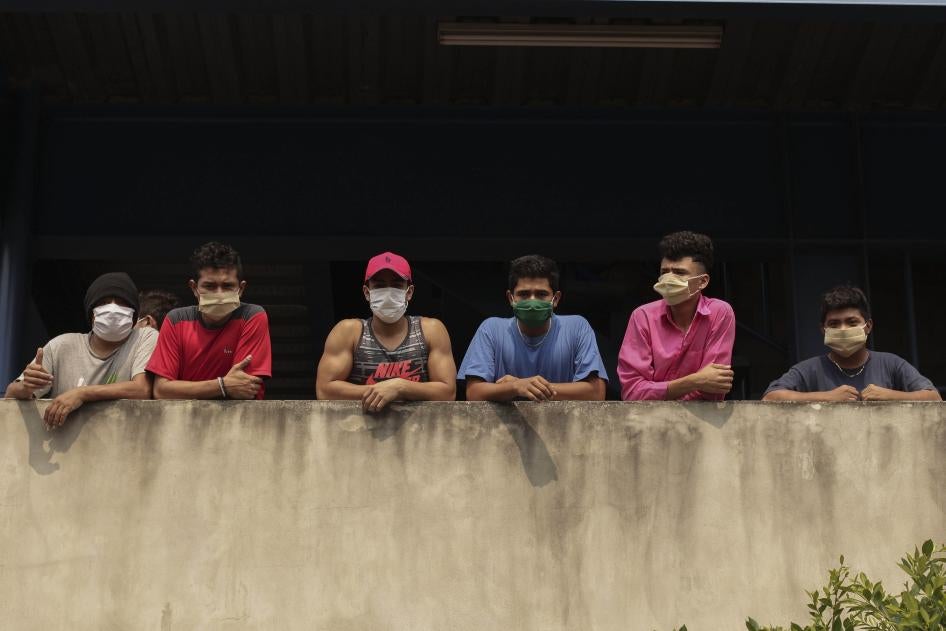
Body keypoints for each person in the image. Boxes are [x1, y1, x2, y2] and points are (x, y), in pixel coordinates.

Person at [4, 272, 157, 428]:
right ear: (91, 314)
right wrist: (26, 387)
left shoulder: (144, 337)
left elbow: (141, 389)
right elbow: (11, 394)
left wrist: (81, 393)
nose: (112, 309)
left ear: (134, 314)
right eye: (103, 303)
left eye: (122, 303)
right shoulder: (61, 346)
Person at [316, 252, 456, 411]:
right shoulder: (349, 332)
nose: (388, 292)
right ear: (367, 292)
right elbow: (324, 390)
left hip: (420, 432)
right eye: (380, 285)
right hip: (357, 431)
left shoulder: (431, 330)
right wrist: (381, 391)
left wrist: (400, 387)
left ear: (409, 292)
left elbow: (448, 392)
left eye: (396, 285)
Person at [458, 255, 607, 401]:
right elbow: (474, 392)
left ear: (556, 299)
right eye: (524, 294)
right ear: (511, 298)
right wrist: (516, 387)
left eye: (541, 294)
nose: (532, 301)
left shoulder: (577, 328)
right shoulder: (491, 329)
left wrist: (526, 387)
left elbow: (596, 392)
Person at [763, 285, 941, 402]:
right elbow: (770, 398)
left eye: (851, 322)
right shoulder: (809, 370)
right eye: (834, 323)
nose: (843, 329)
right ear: (823, 329)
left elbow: (933, 398)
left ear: (868, 326)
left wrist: (890, 396)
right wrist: (827, 398)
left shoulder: (891, 364)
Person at [617, 230, 736, 401]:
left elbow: (714, 389)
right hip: (648, 422)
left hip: (701, 423)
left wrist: (658, 391)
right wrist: (695, 381)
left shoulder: (720, 313)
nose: (668, 279)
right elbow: (632, 393)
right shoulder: (642, 316)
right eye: (664, 272)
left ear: (702, 281)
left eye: (679, 273)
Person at [147, 242, 272, 400]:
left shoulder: (252, 316)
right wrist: (222, 385)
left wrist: (181, 388)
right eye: (210, 286)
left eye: (227, 286)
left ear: (241, 289)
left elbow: (245, 388)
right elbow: (161, 391)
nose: (219, 294)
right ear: (194, 288)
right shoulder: (176, 320)